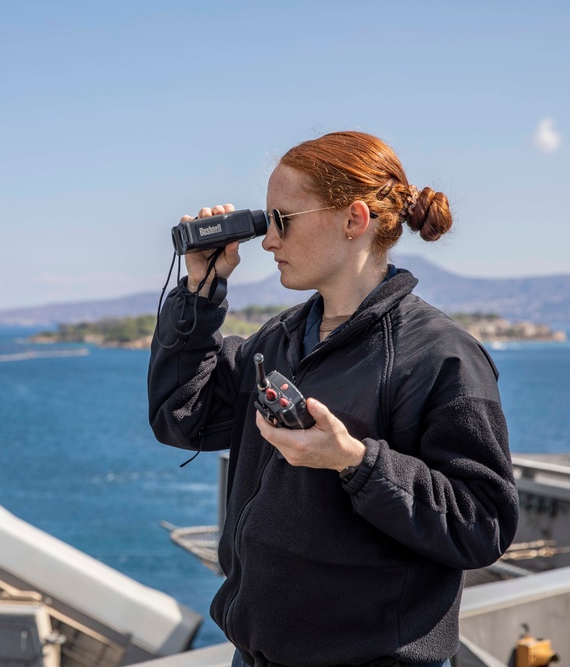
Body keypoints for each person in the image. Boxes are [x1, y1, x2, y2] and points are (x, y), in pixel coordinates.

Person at [148, 131, 519, 667]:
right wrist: (200, 293)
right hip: (255, 655)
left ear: (354, 220)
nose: (268, 242)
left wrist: (355, 462)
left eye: (282, 220)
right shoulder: (278, 340)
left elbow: (483, 524)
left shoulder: (442, 357)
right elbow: (180, 417)